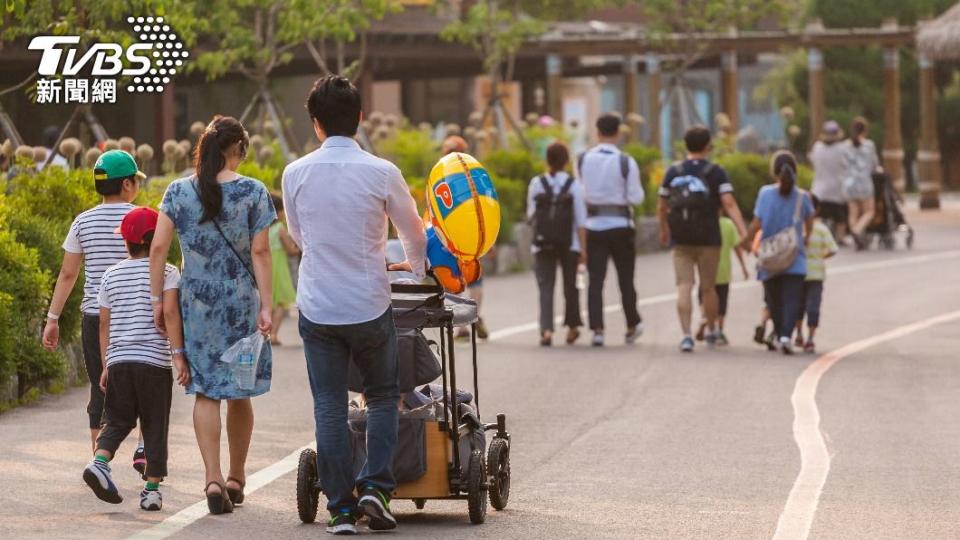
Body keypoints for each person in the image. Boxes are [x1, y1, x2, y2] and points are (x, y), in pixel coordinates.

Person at [282, 76, 426, 535]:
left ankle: (341, 510)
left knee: (328, 405)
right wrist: (416, 270)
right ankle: (376, 490)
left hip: (319, 304)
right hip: (369, 303)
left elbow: (300, 237)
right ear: (361, 119)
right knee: (383, 396)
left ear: (316, 124)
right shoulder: (381, 172)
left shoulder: (294, 173)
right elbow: (414, 232)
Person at [150, 115, 276, 515]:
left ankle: (213, 478)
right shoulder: (254, 192)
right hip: (240, 305)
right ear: (236, 148)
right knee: (239, 391)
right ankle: (237, 477)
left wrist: (158, 300)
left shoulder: (178, 191)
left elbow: (158, 249)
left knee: (206, 391)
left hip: (197, 307)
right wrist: (268, 304)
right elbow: (260, 252)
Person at [82, 207, 189, 512]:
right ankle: (152, 490)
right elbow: (169, 313)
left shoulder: (110, 275)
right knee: (154, 424)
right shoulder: (168, 272)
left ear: (128, 242)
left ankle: (100, 461)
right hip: (153, 363)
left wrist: (106, 364)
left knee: (116, 419)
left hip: (119, 361)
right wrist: (178, 355)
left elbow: (104, 323)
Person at [42, 150, 144, 465]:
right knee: (145, 380)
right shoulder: (141, 218)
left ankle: (99, 463)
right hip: (135, 314)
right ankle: (145, 449)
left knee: (101, 385)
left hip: (94, 316)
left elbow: (68, 274)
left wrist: (52, 318)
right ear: (127, 184)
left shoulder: (83, 222)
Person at [658, 126, 748, 353]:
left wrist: (664, 228)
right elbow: (728, 202)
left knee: (684, 287)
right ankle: (711, 329)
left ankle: (686, 335)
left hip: (681, 239)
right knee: (709, 288)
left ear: (685, 145)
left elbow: (662, 205)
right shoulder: (716, 172)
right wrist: (742, 230)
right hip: (709, 238)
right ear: (708, 146)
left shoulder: (673, 171)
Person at [577, 113, 644, 347]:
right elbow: (636, 197)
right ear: (618, 133)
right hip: (621, 227)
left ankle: (597, 329)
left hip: (594, 226)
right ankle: (631, 324)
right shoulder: (626, 161)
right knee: (626, 279)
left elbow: (580, 192)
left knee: (595, 280)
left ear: (597, 132)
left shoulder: (583, 159)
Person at [742, 151, 814, 355]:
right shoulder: (802, 197)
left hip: (770, 256)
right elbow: (810, 222)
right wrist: (805, 238)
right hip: (794, 256)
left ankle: (779, 331)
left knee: (773, 300)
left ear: (774, 172)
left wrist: (747, 240)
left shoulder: (765, 193)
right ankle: (785, 337)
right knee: (792, 298)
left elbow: (757, 223)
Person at [527, 141, 587, 346]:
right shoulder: (574, 186)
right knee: (571, 286)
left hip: (542, 243)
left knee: (545, 287)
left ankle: (546, 331)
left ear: (547, 161)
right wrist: (583, 249)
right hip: (568, 243)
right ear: (566, 161)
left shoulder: (536, 183)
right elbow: (580, 221)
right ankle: (572, 327)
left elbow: (531, 215)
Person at [443, 135, 490, 341]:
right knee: (473, 278)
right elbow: (488, 206)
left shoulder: (441, 177)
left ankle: (464, 322)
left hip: (451, 236)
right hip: (471, 234)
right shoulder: (475, 176)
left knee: (457, 279)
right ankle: (474, 315)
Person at [794, 195, 839, 353]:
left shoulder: (796, 226)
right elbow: (833, 249)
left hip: (797, 273)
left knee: (798, 306)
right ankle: (808, 338)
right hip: (814, 274)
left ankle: (801, 334)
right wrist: (820, 257)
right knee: (812, 307)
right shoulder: (820, 229)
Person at [695, 214, 748, 346]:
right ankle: (719, 329)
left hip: (706, 270)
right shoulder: (729, 224)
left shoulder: (702, 221)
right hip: (723, 271)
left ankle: (705, 319)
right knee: (721, 303)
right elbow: (737, 248)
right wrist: (743, 267)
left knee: (704, 295)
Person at [809, 120, 849, 244]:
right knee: (840, 217)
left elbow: (812, 160)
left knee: (819, 216)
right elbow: (847, 165)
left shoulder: (817, 147)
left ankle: (817, 236)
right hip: (837, 190)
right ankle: (840, 238)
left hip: (819, 190)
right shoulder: (842, 148)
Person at [268, 192, 300, 346]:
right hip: (279, 268)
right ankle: (273, 334)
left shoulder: (263, 229)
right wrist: (299, 248)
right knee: (281, 302)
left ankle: (266, 334)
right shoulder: (280, 228)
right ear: (278, 212)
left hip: (266, 267)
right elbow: (290, 250)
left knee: (269, 302)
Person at [844, 117, 880, 250]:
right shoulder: (869, 145)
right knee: (869, 211)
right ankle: (857, 231)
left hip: (848, 184)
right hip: (864, 183)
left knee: (853, 213)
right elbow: (874, 164)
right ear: (865, 130)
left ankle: (855, 235)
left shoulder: (845, 146)